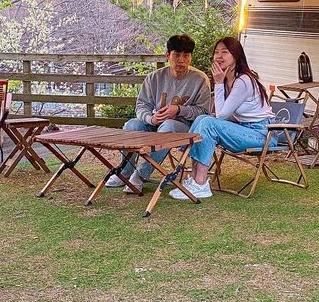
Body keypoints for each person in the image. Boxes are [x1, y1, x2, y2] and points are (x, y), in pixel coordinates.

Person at [169, 36, 274, 200]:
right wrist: (220, 83)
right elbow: (221, 114)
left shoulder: (243, 80)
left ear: (236, 55)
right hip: (243, 129)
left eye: (225, 52)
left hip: (262, 135)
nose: (219, 56)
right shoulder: (228, 80)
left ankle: (200, 184)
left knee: (209, 123)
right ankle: (194, 179)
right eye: (216, 52)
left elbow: (221, 115)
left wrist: (217, 83)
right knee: (202, 119)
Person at [106, 33, 211, 193]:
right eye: (177, 55)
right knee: (132, 124)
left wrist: (179, 110)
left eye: (186, 55)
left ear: (190, 57)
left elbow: (203, 112)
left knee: (167, 126)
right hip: (154, 123)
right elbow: (141, 105)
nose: (181, 60)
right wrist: (151, 118)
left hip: (183, 128)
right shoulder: (154, 77)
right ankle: (125, 170)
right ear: (168, 55)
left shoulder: (200, 80)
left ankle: (140, 175)